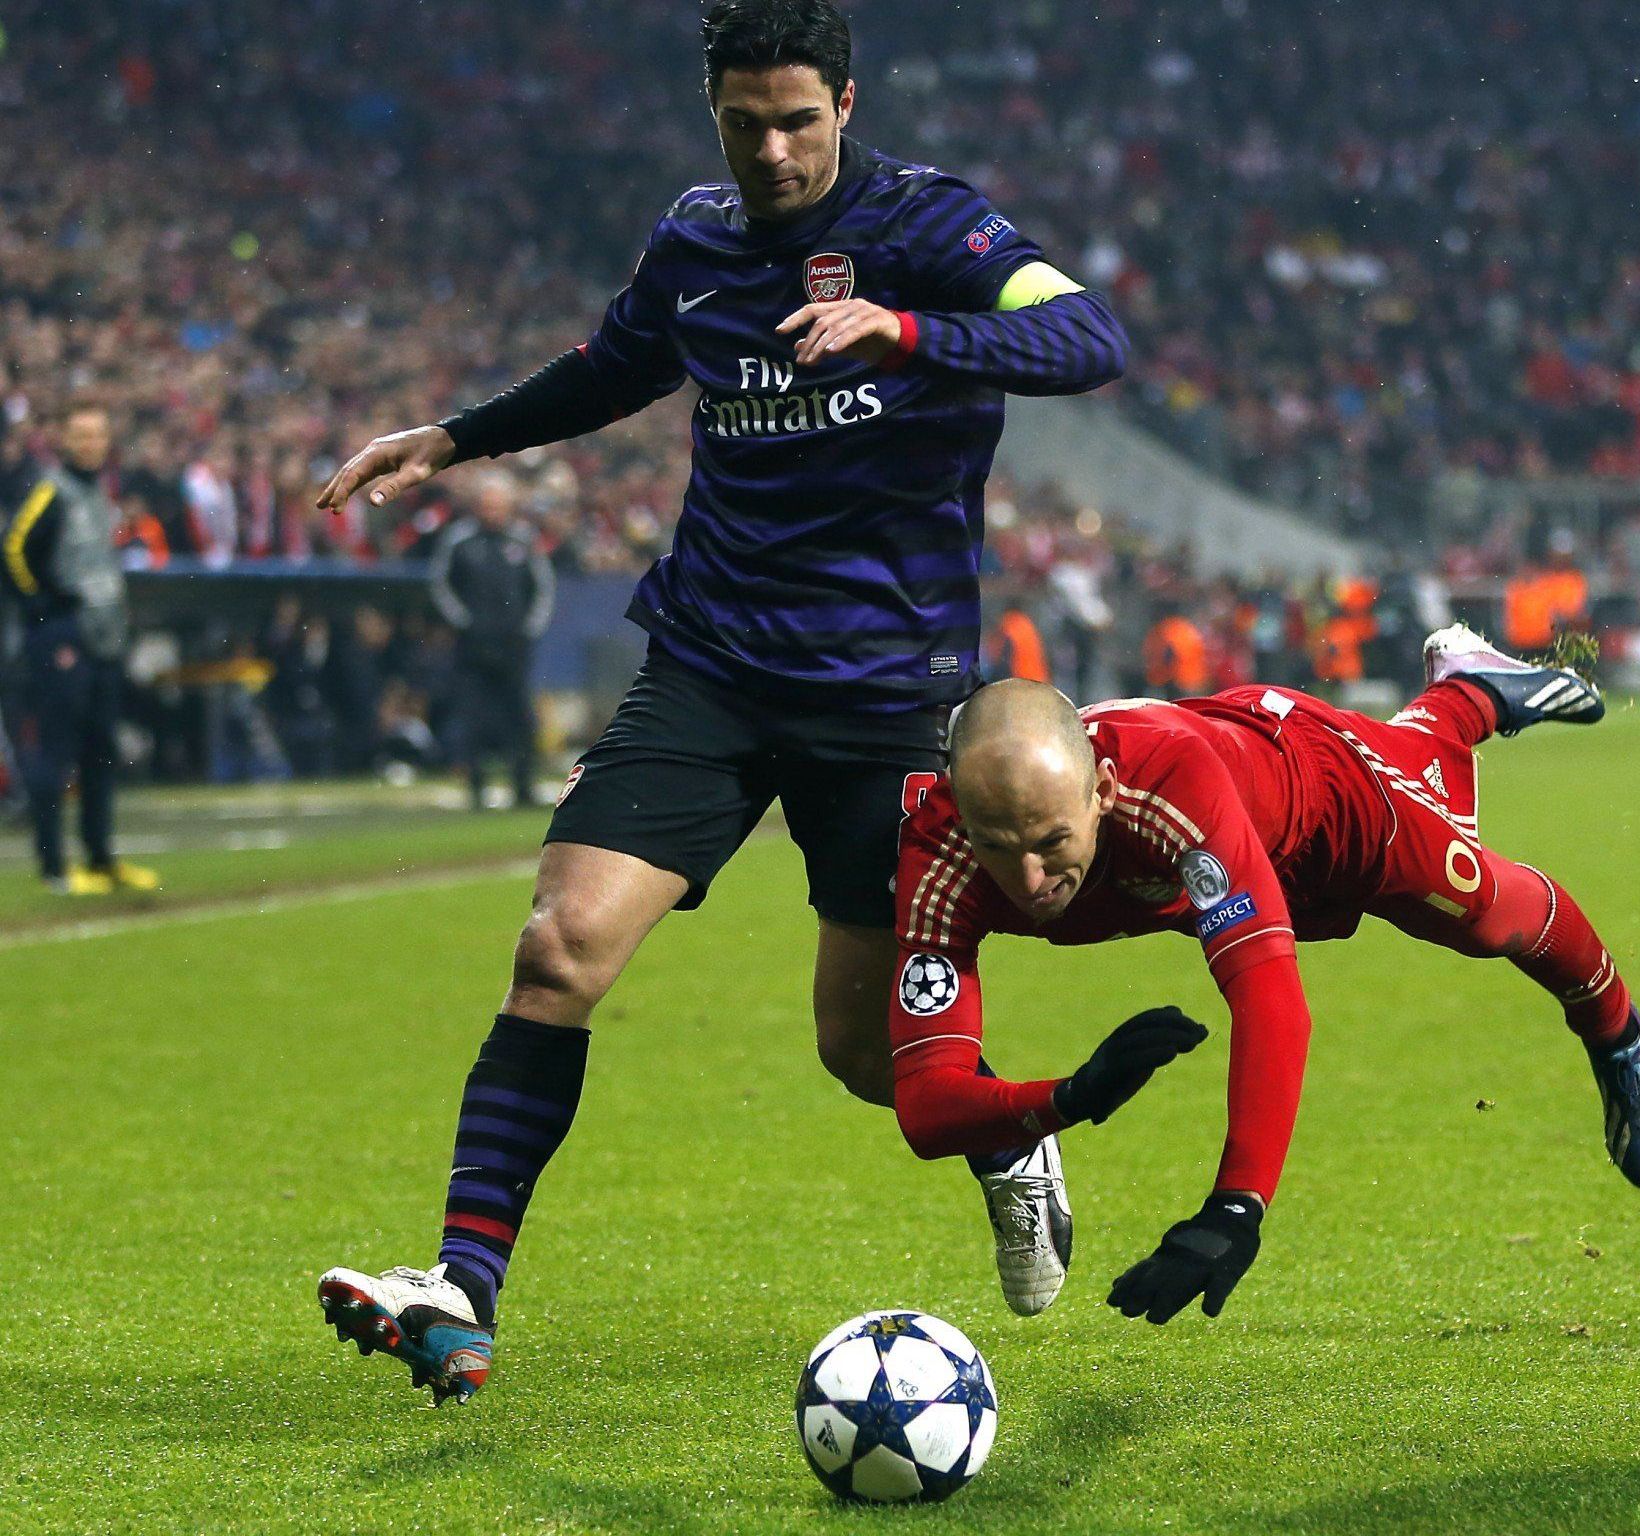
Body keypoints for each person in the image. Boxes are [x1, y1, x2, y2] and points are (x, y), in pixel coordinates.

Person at [312, 0, 1127, 1404]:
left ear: (848, 104)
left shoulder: (933, 227)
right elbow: (615, 366)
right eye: (744, 122)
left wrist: (913, 329)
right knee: (559, 950)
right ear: (713, 113)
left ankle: (1005, 1140)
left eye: (797, 119)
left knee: (867, 1057)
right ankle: (463, 1289)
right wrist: (455, 436)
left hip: (883, 692)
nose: (771, 148)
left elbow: (1092, 340)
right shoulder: (697, 236)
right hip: (708, 661)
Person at [885, 624, 1640, 1325]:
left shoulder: (1168, 785)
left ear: (1101, 791)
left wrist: (1236, 1205)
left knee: (1482, 909)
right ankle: (1469, 691)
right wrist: (1066, 1099)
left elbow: (1269, 996)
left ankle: (1617, 1034)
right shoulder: (941, 846)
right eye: (999, 845)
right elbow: (924, 1103)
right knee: (1423, 769)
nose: (1027, 881)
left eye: (1053, 843)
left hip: (1317, 796)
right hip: (1227, 836)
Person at [1, 402, 159, 895]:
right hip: (66, 641)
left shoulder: (97, 492)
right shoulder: (53, 490)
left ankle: (100, 859)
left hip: (103, 642)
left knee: (99, 753)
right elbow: (14, 551)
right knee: (56, 753)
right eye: (81, 435)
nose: (90, 444)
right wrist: (48, 616)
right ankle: (54, 869)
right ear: (64, 440)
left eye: (97, 435)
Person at [429, 470, 556, 808]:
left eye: (497, 504)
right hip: (473, 647)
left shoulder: (523, 540)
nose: (492, 511)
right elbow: (441, 585)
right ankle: (476, 788)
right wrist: (465, 623)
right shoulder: (459, 540)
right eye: (487, 504)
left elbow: (542, 588)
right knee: (472, 718)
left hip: (513, 646)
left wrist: (528, 628)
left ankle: (523, 784)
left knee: (520, 718)